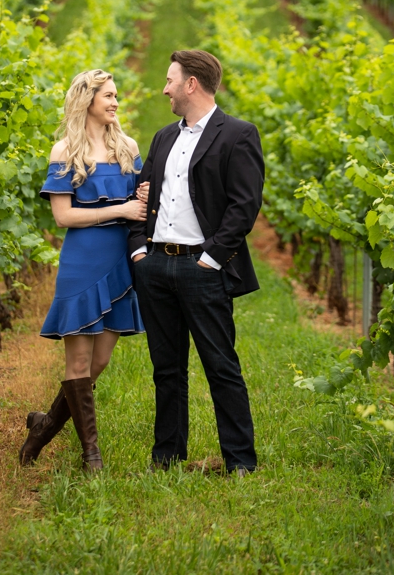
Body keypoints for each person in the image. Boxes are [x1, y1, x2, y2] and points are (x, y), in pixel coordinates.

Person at [128, 49, 264, 475]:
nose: (164, 88)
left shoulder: (238, 134)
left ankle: (240, 462)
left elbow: (244, 207)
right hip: (155, 266)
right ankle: (166, 458)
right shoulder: (164, 136)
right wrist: (138, 249)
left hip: (201, 269)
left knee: (221, 367)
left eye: (170, 80)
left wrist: (211, 259)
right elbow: (141, 195)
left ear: (191, 84)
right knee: (166, 370)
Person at [20, 69, 146, 472]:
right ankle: (91, 453)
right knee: (77, 363)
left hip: (119, 261)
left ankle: (42, 428)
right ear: (86, 100)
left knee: (100, 362)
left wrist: (143, 194)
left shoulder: (128, 147)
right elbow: (63, 217)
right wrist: (121, 209)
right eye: (108, 96)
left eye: (116, 96)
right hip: (82, 261)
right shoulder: (65, 152)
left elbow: (144, 198)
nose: (115, 103)